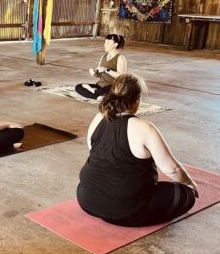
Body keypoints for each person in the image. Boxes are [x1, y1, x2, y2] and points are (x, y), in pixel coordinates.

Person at [77, 74, 197, 227]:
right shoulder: (145, 128)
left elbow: (93, 152)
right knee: (187, 195)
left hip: (86, 199)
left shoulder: (98, 118)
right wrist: (190, 184)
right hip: (127, 211)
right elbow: (172, 169)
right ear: (137, 100)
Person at [75, 34, 127, 100]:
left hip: (112, 87)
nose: (105, 45)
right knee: (79, 87)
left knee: (109, 89)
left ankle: (96, 92)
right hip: (100, 86)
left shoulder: (120, 57)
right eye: (105, 42)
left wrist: (107, 70)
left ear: (115, 44)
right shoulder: (103, 57)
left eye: (108, 43)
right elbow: (98, 74)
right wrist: (93, 72)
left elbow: (121, 77)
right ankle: (98, 97)